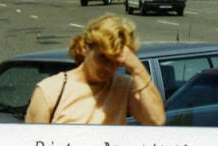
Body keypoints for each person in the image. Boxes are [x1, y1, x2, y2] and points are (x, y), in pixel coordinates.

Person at [25, 14, 165, 125]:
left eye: (116, 61)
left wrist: (137, 67)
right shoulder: (50, 90)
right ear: (86, 48)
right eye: (103, 58)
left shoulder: (123, 87)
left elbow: (156, 120)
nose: (108, 67)